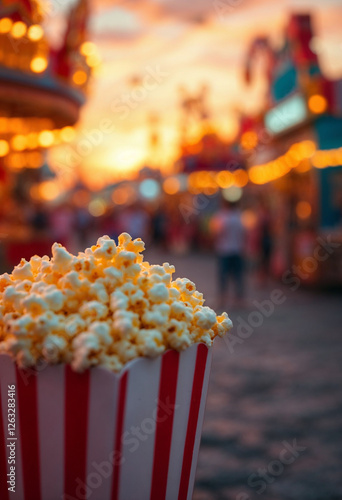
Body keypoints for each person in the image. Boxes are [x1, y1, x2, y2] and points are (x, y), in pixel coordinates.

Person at [211, 199, 246, 308]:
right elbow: (245, 233)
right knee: (238, 275)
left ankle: (222, 298)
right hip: (237, 249)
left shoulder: (221, 217)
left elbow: (216, 232)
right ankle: (239, 299)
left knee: (223, 276)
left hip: (224, 250)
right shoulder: (240, 217)